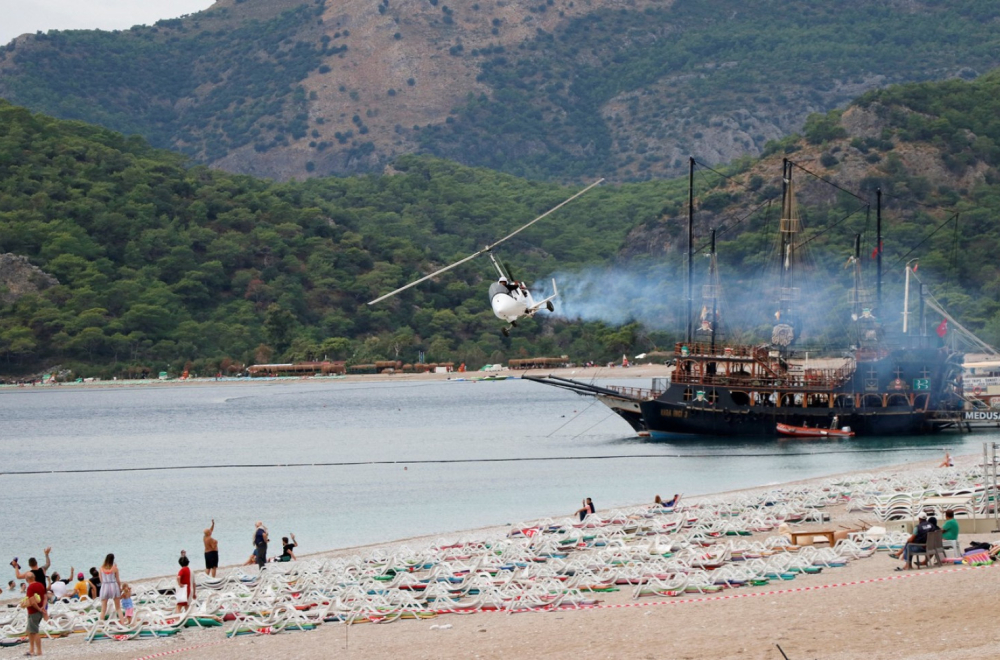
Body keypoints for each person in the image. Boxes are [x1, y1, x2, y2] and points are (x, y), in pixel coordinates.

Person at [21, 572, 47, 658]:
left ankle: (39, 650)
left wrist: (39, 609)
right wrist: (43, 607)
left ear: (27, 579)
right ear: (34, 577)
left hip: (34, 612)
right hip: (39, 610)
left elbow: (32, 601)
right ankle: (31, 649)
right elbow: (45, 596)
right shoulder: (40, 584)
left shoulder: (30, 587)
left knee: (35, 631)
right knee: (30, 630)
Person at [99, 553, 123, 621]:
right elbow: (118, 580)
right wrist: (120, 588)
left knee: (103, 609)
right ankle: (123, 623)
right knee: (118, 608)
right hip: (113, 586)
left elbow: (101, 580)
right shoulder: (115, 569)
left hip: (105, 586)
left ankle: (101, 624)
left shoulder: (101, 569)